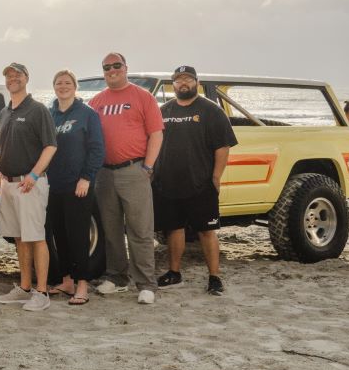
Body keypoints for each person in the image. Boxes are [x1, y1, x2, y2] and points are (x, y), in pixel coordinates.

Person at [153, 66, 237, 296]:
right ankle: (174, 273)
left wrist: (215, 178)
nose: (183, 83)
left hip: (201, 184)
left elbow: (223, 147)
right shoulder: (164, 110)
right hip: (168, 183)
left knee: (206, 231)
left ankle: (214, 277)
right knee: (174, 229)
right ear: (173, 85)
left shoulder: (211, 110)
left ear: (196, 83)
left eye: (187, 79)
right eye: (179, 80)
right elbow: (154, 142)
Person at [89, 52, 164, 304]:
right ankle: (117, 278)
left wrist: (148, 167)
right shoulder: (97, 101)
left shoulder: (143, 97)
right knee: (110, 229)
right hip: (104, 173)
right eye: (107, 67)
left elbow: (156, 134)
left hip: (134, 170)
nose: (112, 70)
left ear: (126, 67)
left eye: (116, 65)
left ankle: (146, 284)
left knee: (140, 230)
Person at [0, 63, 57, 312]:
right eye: (8, 75)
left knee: (36, 238)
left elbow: (50, 146)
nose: (12, 78)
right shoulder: (4, 112)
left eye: (17, 75)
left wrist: (34, 174)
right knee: (19, 238)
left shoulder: (37, 110)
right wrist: (1, 177)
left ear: (26, 78)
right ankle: (25, 287)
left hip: (30, 184)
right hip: (8, 184)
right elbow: (2, 147)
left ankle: (42, 292)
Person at [44, 69, 105, 306]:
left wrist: (87, 178)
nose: (63, 86)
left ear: (75, 86)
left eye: (67, 82)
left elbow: (97, 148)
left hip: (78, 185)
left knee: (78, 235)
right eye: (58, 82)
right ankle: (67, 279)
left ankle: (82, 285)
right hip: (53, 184)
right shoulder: (50, 114)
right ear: (54, 86)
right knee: (60, 234)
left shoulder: (87, 113)